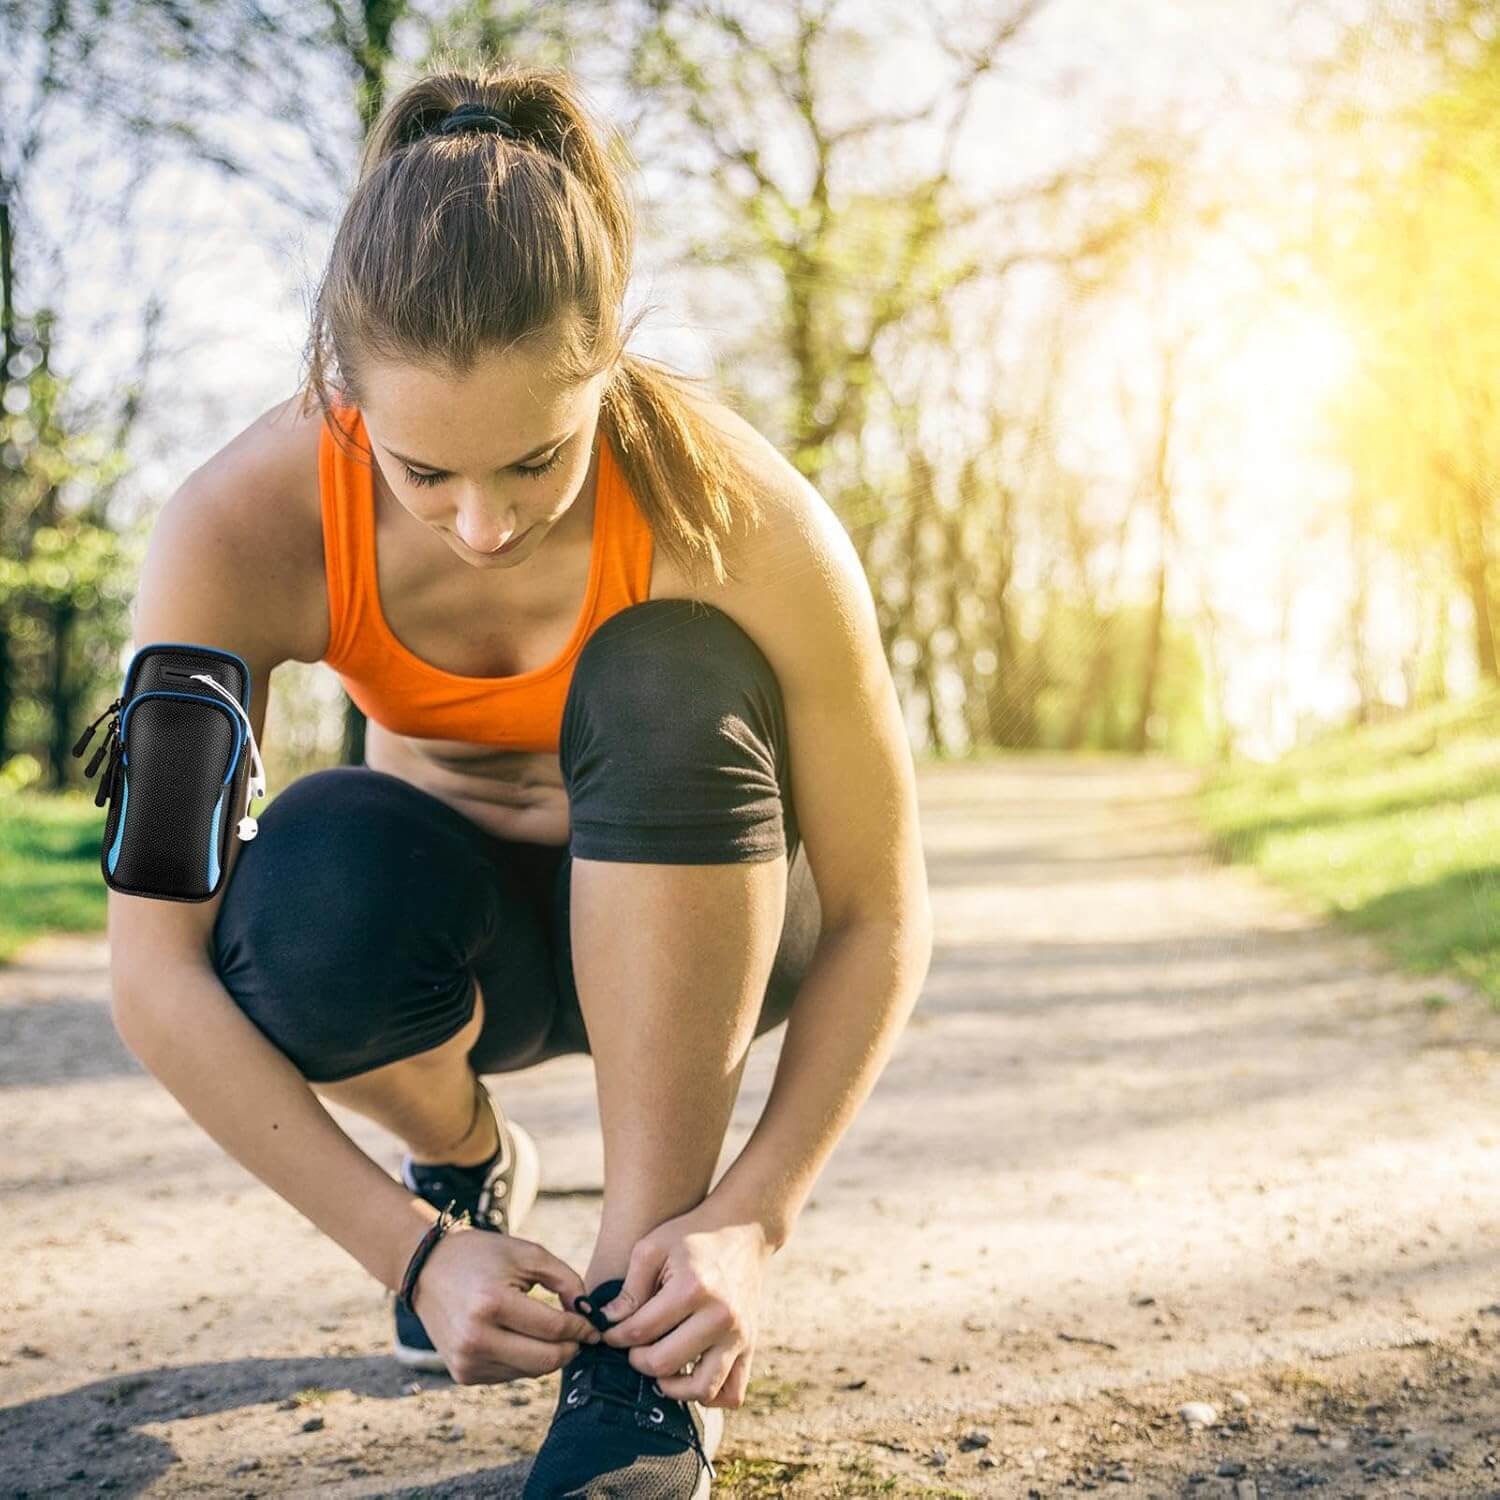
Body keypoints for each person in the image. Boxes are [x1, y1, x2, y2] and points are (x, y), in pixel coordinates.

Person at [105, 58, 932, 1499]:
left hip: (723, 927)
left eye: (537, 460)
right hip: (462, 953)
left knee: (667, 668)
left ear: (611, 357)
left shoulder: (748, 519)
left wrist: (754, 1218)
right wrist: (411, 1254)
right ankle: (471, 1160)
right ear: (338, 383)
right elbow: (153, 972)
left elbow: (879, 912)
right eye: (423, 474)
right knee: (306, 879)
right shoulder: (237, 526)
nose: (481, 526)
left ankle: (641, 1343)